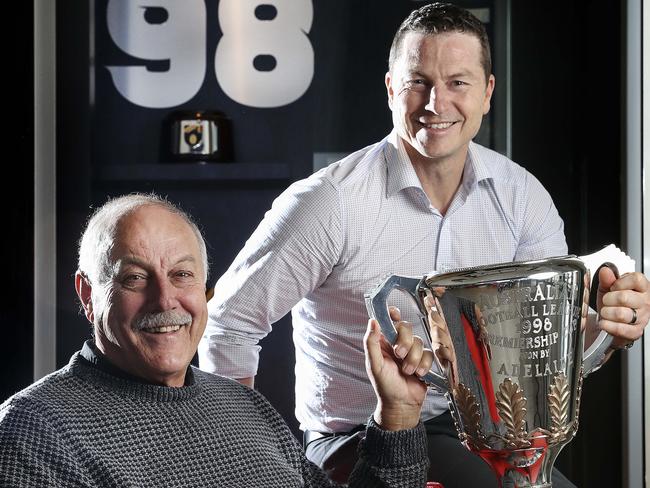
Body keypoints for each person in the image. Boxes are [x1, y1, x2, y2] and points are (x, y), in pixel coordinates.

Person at [198, 3, 650, 487]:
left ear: (487, 93)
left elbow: (538, 344)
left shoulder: (522, 197)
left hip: (491, 435)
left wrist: (605, 325)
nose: (436, 104)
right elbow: (229, 322)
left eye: (458, 82)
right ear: (391, 89)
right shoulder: (329, 202)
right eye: (418, 82)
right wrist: (243, 458)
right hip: (358, 436)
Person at [0, 193, 433, 488]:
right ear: (88, 294)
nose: (165, 299)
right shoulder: (34, 431)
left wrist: (396, 414)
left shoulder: (244, 405)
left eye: (182, 275)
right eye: (134, 278)